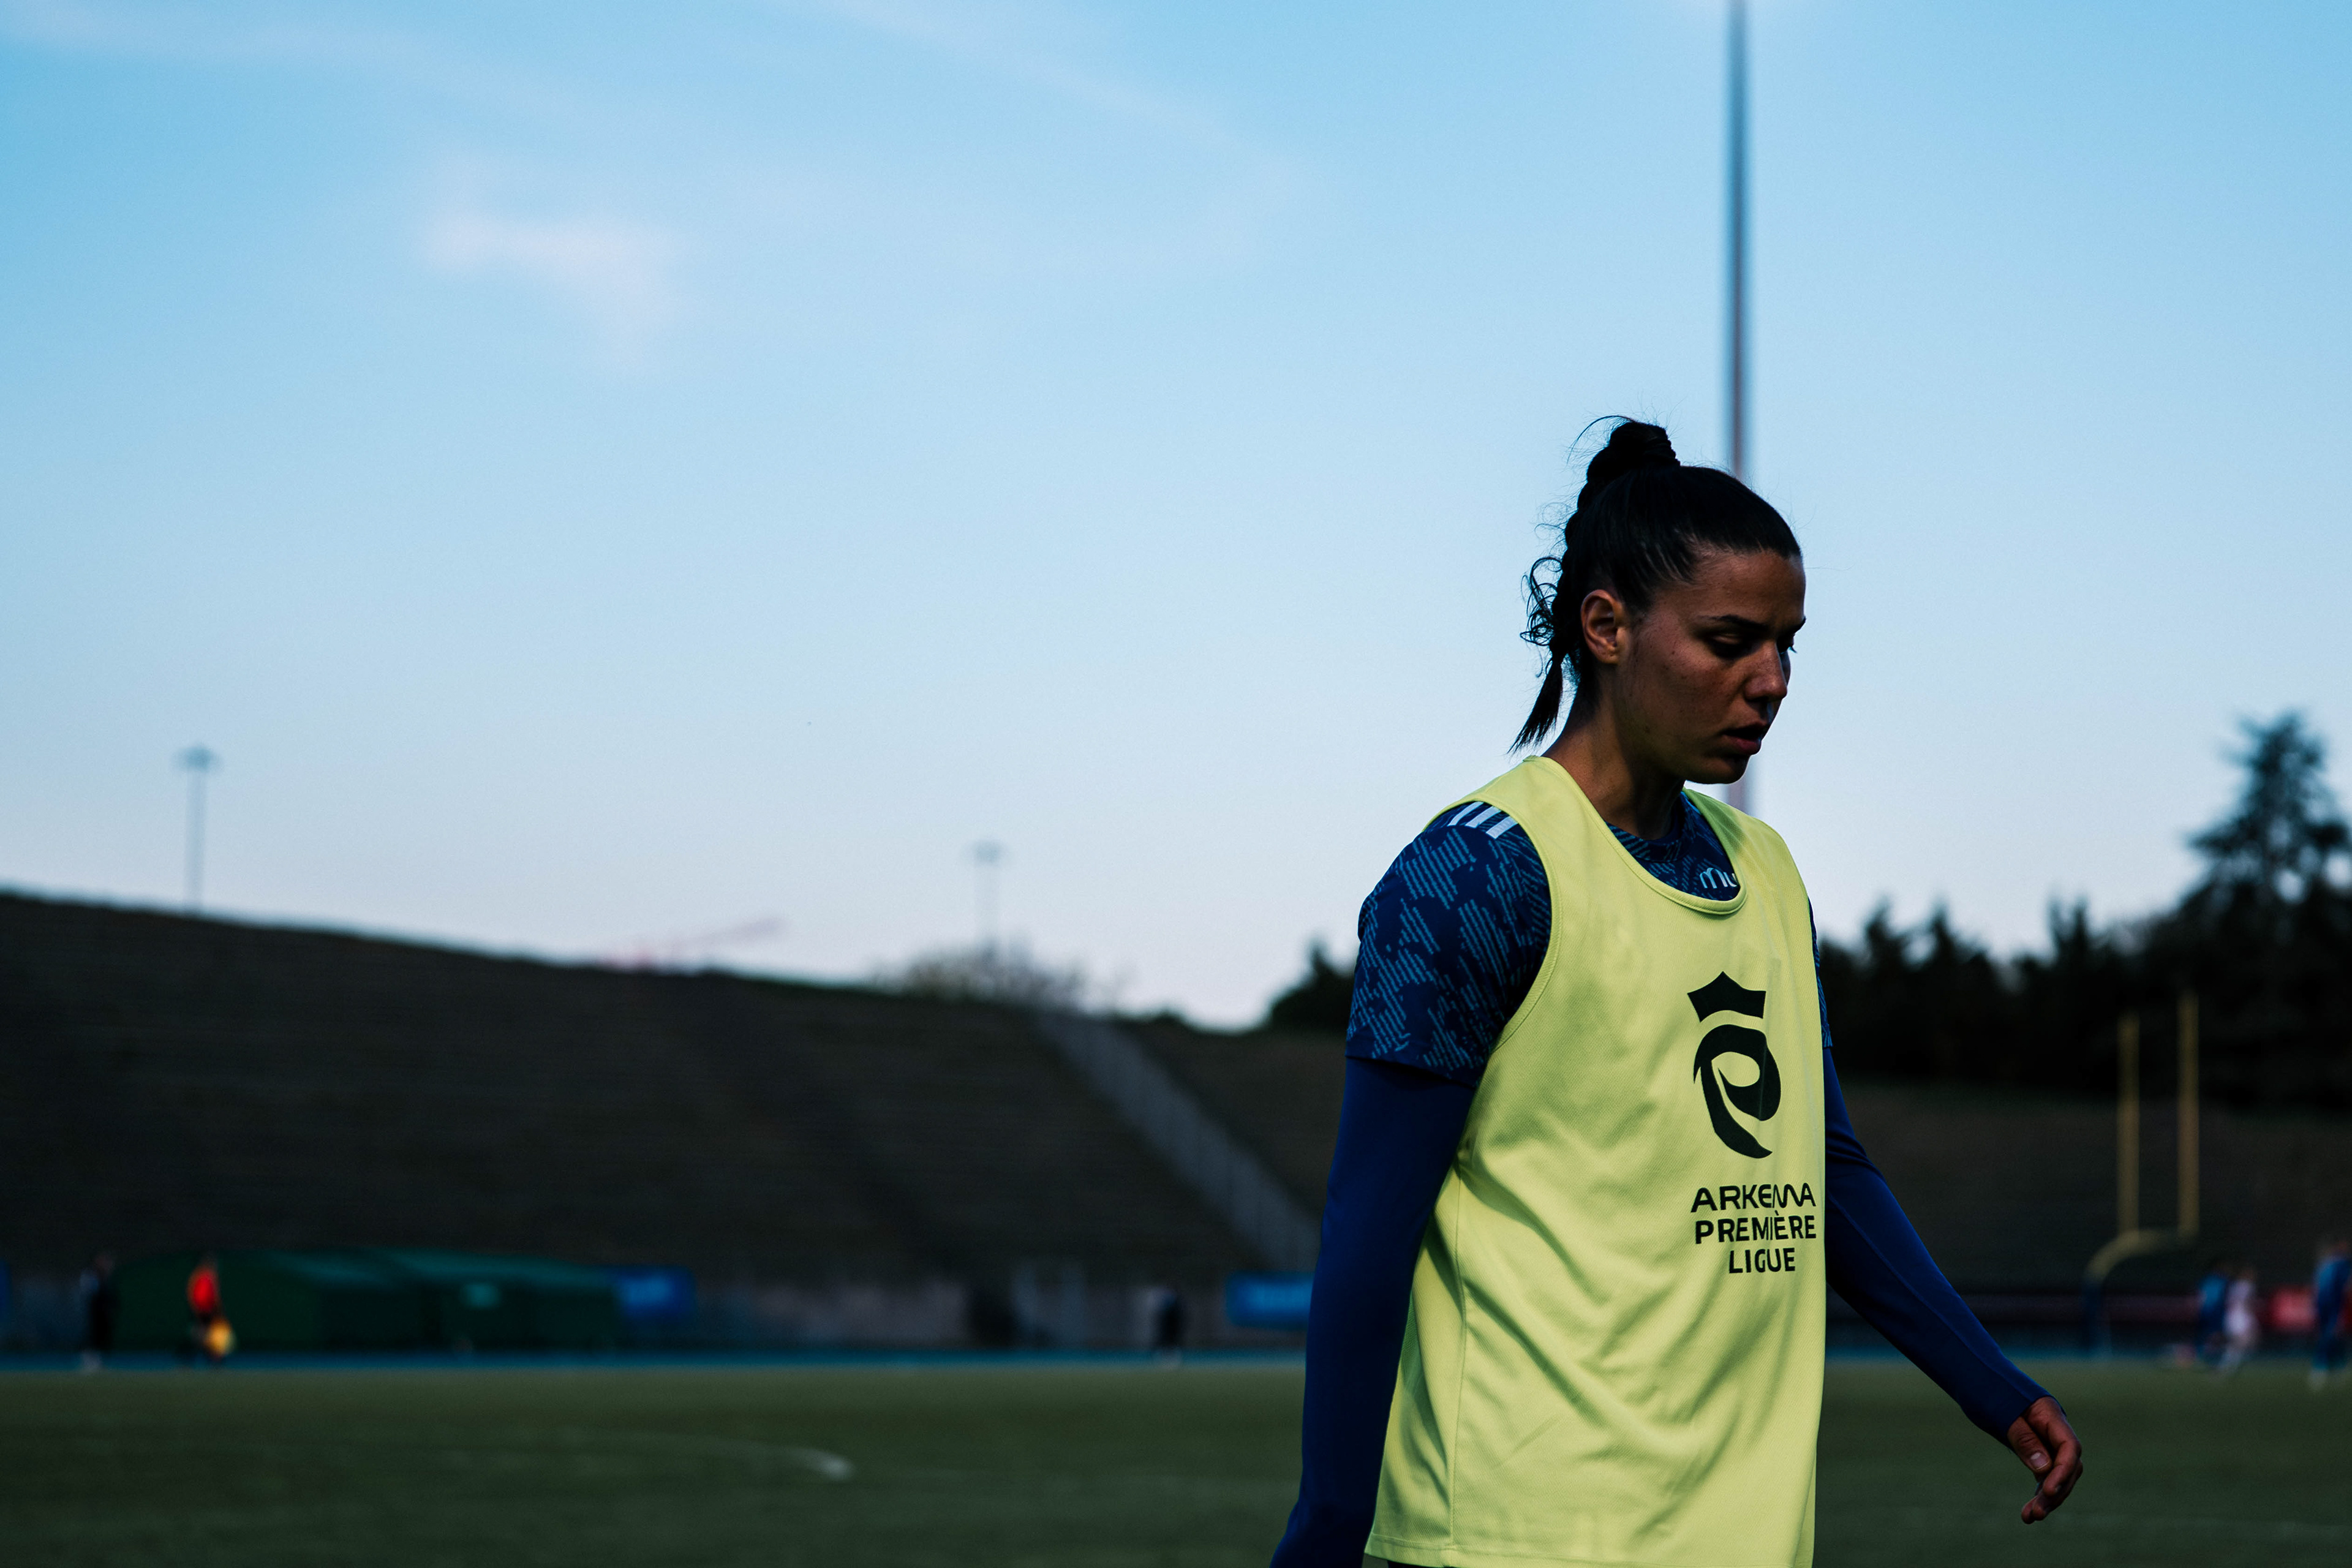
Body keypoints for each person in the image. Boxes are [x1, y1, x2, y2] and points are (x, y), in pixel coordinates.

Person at [1270, 421, 2082, 1568]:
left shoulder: (1768, 873)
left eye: (1788, 646)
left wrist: (1989, 1384)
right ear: (1606, 627)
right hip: (1519, 1538)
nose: (1773, 681)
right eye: (1730, 642)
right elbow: (1367, 1241)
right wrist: (1325, 1536)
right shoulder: (1476, 875)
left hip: (1744, 1538)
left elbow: (1821, 1170)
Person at [2312, 1239, 2349, 1390]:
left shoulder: (2339, 1266)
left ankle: (2326, 1366)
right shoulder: (2326, 1267)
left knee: (2332, 1336)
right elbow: (2319, 1288)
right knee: (2329, 1336)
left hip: (2334, 1307)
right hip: (2325, 1307)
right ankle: (2331, 1366)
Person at [185, 1253, 232, 1365]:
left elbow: (212, 1295)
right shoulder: (203, 1275)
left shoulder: (203, 1275)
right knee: (203, 1334)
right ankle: (211, 1357)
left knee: (205, 1334)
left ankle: (213, 1357)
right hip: (205, 1310)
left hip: (207, 1310)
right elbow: (196, 1294)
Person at [77, 1252, 119, 1371]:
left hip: (103, 1311)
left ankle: (97, 1362)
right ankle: (89, 1362)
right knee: (93, 1335)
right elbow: (90, 1293)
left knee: (103, 1336)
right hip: (95, 1310)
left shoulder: (106, 1277)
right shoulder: (91, 1274)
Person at [2217, 1265, 2260, 1375]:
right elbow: (2246, 1303)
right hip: (2241, 1318)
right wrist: (2250, 1319)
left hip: (2231, 1317)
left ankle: (2229, 1366)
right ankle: (2228, 1366)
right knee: (2241, 1343)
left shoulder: (2235, 1286)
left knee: (2238, 1344)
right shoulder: (2247, 1286)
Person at [2194, 1259, 2231, 1366]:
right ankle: (2208, 1356)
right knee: (2214, 1335)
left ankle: (2205, 1355)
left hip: (2207, 1311)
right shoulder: (2222, 1281)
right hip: (2214, 1312)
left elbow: (2200, 1296)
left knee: (2210, 1335)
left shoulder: (2207, 1280)